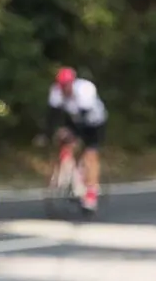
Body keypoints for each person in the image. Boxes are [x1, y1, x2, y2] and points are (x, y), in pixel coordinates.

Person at [37, 67, 108, 213]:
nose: (64, 89)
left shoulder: (85, 90)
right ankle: (72, 180)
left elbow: (84, 118)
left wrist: (72, 135)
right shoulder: (56, 92)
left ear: (73, 83)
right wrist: (46, 135)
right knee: (65, 143)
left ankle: (90, 195)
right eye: (62, 86)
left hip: (94, 122)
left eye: (67, 85)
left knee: (90, 155)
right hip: (75, 119)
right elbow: (52, 117)